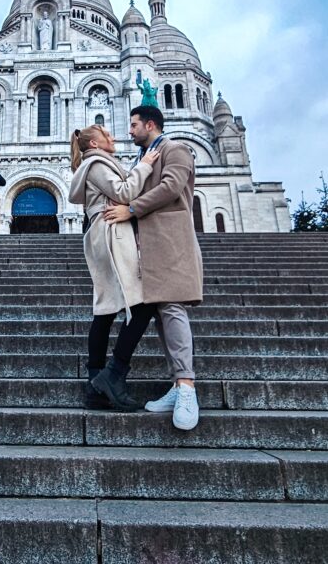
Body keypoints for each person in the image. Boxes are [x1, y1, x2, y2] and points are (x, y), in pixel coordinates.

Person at [103, 105, 203, 431]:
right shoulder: (142, 158)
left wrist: (130, 208)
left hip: (170, 241)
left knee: (172, 309)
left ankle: (187, 387)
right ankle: (176, 385)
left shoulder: (176, 149)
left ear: (150, 124)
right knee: (160, 314)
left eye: (133, 125)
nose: (129, 131)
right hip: (147, 245)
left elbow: (172, 187)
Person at [69, 124, 160, 411]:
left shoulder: (96, 163)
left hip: (106, 232)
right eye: (107, 135)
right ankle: (114, 373)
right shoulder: (96, 164)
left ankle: (96, 384)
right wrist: (144, 165)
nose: (114, 137)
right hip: (112, 234)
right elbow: (123, 192)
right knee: (144, 305)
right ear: (94, 144)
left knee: (106, 309)